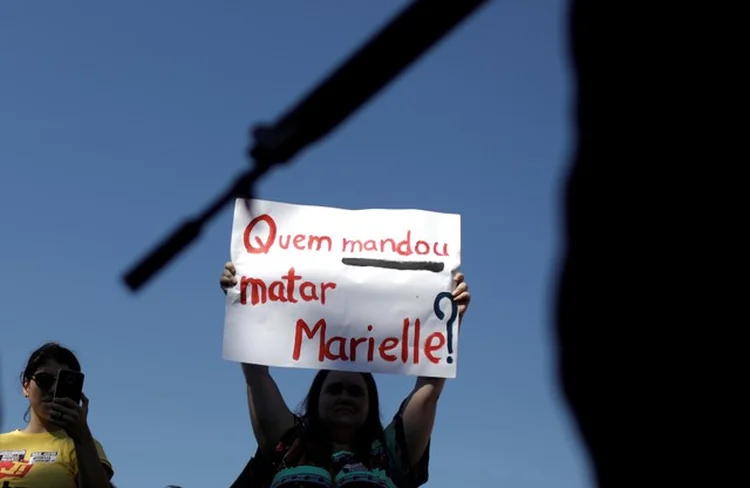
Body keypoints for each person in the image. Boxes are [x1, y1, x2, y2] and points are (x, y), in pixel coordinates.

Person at [220, 262, 470, 488]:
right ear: (316, 397)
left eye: (355, 391)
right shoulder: (290, 443)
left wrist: (447, 322)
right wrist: (244, 305)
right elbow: (256, 376)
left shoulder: (390, 454)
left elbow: (428, 391)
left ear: (370, 403)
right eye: (334, 389)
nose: (345, 397)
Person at [0, 342, 114, 488]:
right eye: (44, 380)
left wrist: (82, 436)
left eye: (62, 382)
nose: (53, 390)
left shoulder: (81, 446)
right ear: (26, 385)